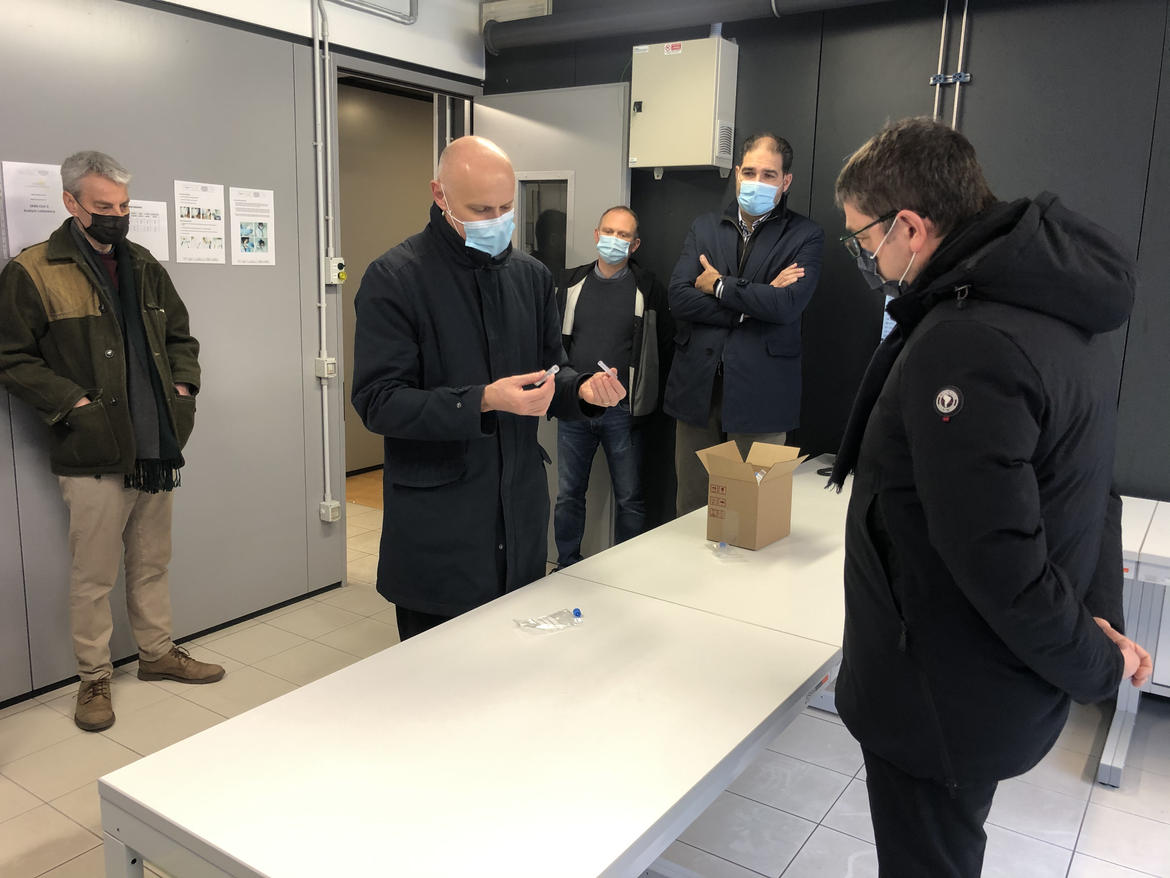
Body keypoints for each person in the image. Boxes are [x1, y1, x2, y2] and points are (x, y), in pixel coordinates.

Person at [826, 117, 1153, 877]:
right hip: (974, 686)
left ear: (910, 226)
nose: (867, 256)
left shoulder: (964, 339)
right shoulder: (1052, 310)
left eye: (864, 237)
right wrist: (1099, 619)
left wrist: (1097, 665)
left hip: (940, 695)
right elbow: (1092, 485)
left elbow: (998, 561)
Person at [351, 136, 625, 641]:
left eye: (505, 208)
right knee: (441, 677)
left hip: (518, 521)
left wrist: (582, 390)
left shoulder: (531, 277)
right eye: (480, 210)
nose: (496, 220)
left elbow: (551, 372)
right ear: (440, 194)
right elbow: (378, 401)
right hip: (440, 530)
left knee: (512, 673)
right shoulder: (396, 279)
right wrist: (482, 399)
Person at [0, 151, 224, 733]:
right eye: (104, 206)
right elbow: (11, 357)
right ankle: (93, 677)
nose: (117, 216)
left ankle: (157, 654)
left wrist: (182, 387)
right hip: (94, 451)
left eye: (124, 206)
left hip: (156, 447)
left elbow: (181, 337)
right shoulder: (34, 270)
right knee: (93, 576)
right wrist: (76, 405)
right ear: (71, 202)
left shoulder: (144, 264)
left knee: (152, 563)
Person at [665, 133, 824, 516]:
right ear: (737, 173)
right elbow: (679, 297)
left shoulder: (805, 235)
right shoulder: (705, 227)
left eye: (769, 175)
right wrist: (749, 306)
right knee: (691, 513)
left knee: (751, 518)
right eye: (749, 172)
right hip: (700, 390)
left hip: (762, 395)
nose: (756, 182)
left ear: (786, 181)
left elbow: (786, 305)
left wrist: (719, 285)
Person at [553, 205, 666, 568]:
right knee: (568, 495)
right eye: (609, 232)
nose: (614, 240)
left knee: (629, 498)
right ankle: (566, 564)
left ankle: (626, 570)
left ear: (635, 245)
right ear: (596, 235)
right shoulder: (571, 284)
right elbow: (555, 344)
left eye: (623, 235)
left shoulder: (647, 288)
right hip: (575, 408)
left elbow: (659, 347)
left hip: (623, 411)